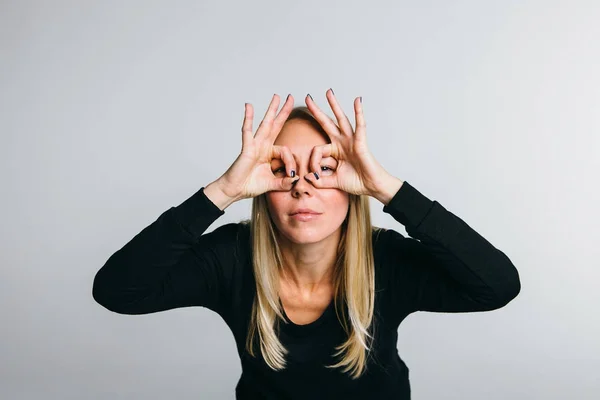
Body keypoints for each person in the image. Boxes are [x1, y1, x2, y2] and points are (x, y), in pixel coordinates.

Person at [92, 90, 521, 399]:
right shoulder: (232, 258)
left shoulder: (386, 259)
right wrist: (223, 190)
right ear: (262, 187)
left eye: (325, 168)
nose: (302, 187)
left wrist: (387, 189)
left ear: (353, 184)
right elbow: (117, 291)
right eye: (283, 169)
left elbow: (497, 285)